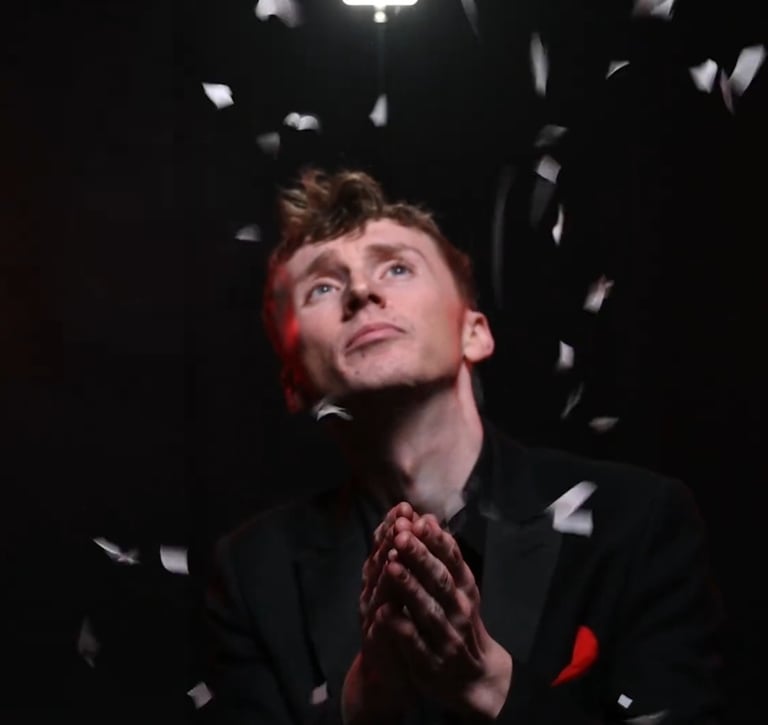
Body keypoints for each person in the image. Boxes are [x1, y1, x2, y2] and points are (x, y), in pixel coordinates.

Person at [204, 169, 723, 724]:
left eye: (397, 267)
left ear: (474, 331)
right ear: (293, 382)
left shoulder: (635, 522)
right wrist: (361, 708)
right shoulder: (253, 574)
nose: (360, 292)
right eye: (322, 288)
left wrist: (486, 683)